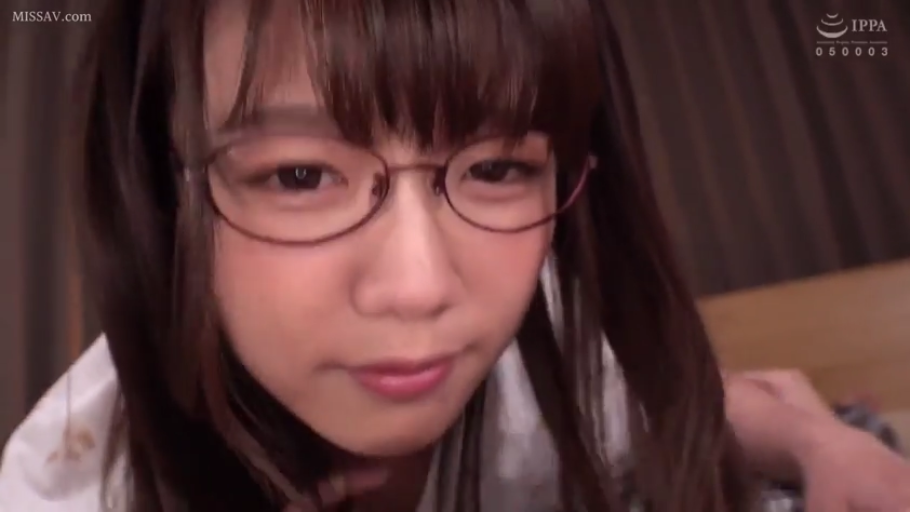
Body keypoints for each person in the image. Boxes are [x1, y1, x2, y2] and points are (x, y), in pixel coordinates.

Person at [1, 0, 909, 510]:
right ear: (164, 196)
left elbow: (666, 409)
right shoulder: (69, 484)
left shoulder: (541, 341)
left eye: (498, 168)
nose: (421, 287)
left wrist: (819, 443)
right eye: (300, 175)